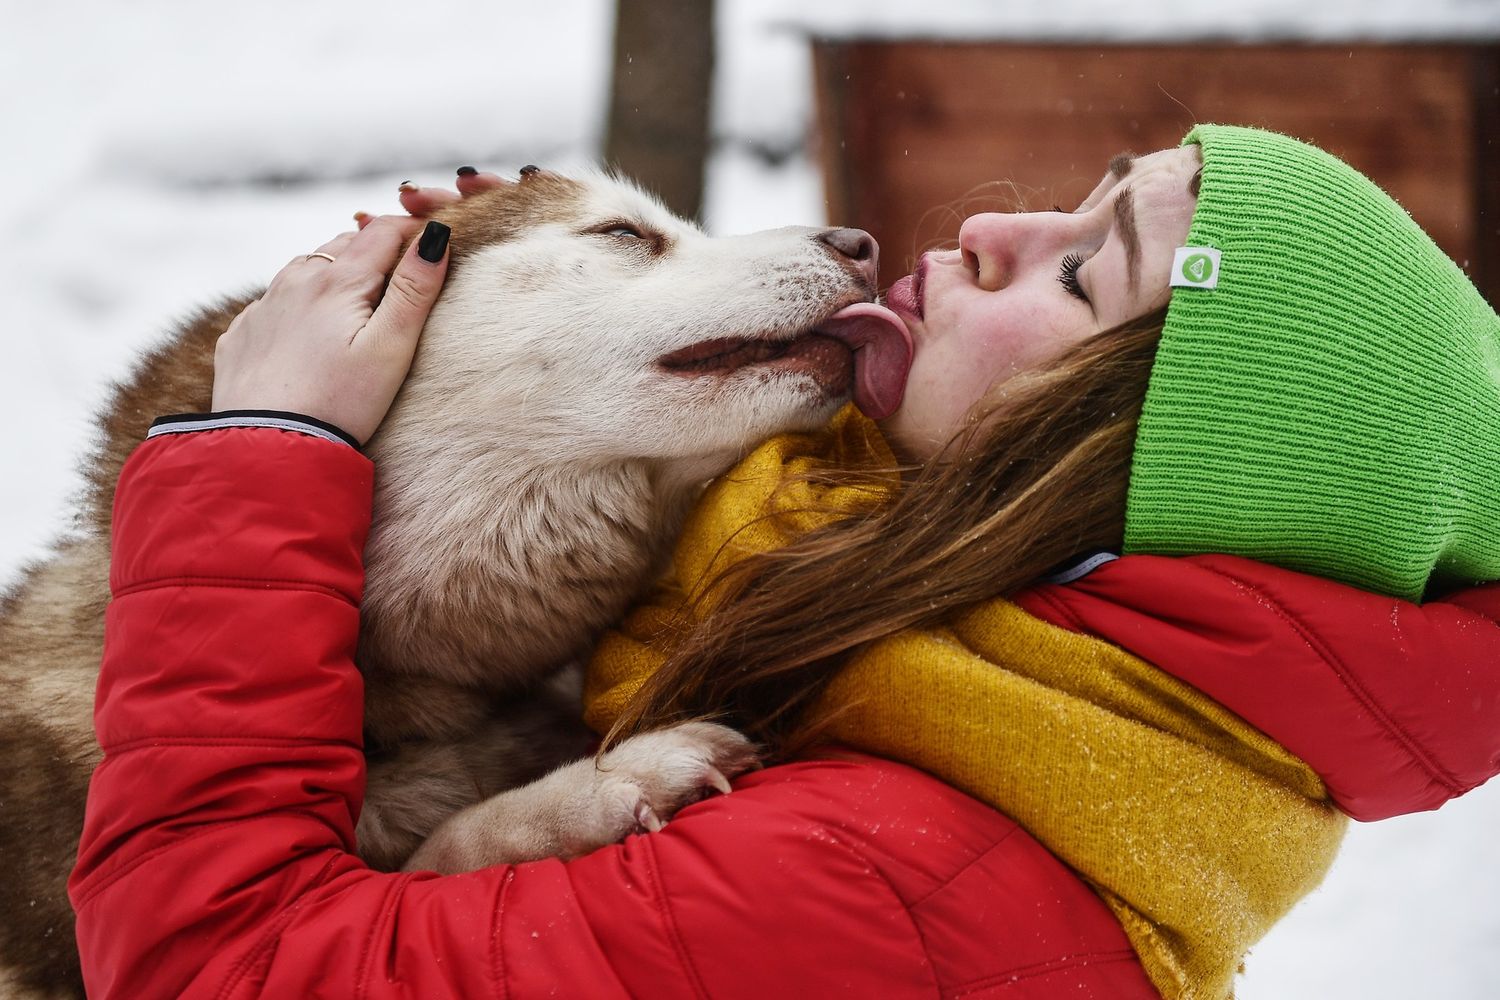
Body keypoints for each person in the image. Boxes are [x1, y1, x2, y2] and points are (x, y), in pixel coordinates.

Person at [69, 126, 1500, 1000]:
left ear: (1114, 467)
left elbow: (221, 974)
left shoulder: (887, 885)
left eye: (1081, 270)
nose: (998, 226)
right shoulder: (906, 666)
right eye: (1080, 196)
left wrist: (257, 451)